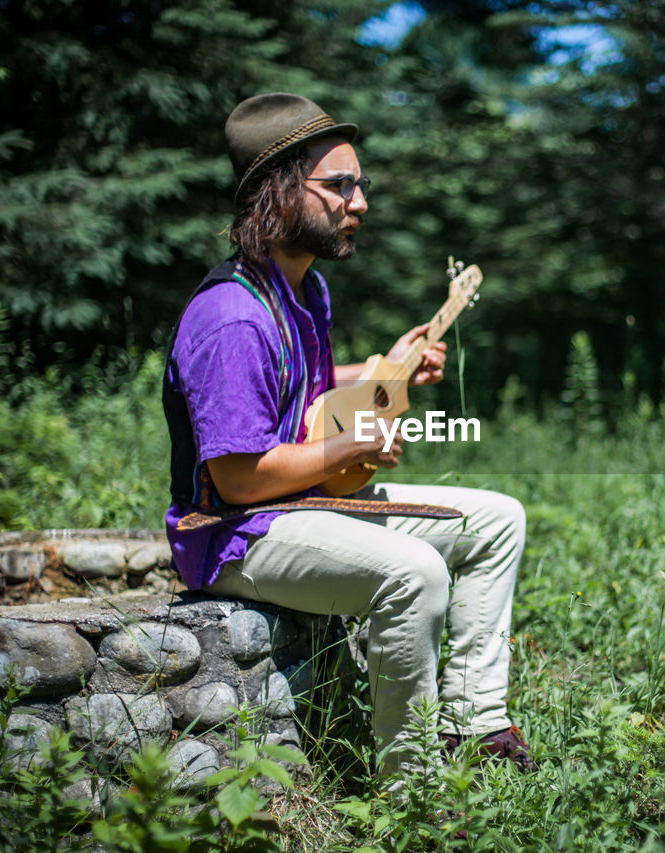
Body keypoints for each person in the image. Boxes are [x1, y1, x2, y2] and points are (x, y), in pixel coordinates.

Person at [161, 92, 533, 776]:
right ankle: (414, 789)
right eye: (339, 186)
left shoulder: (304, 291)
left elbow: (305, 386)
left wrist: (385, 367)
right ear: (276, 194)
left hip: (292, 512)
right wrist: (355, 446)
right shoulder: (230, 318)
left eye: (360, 184)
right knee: (413, 571)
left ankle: (473, 729)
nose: (359, 202)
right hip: (232, 534)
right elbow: (239, 479)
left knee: (497, 520)